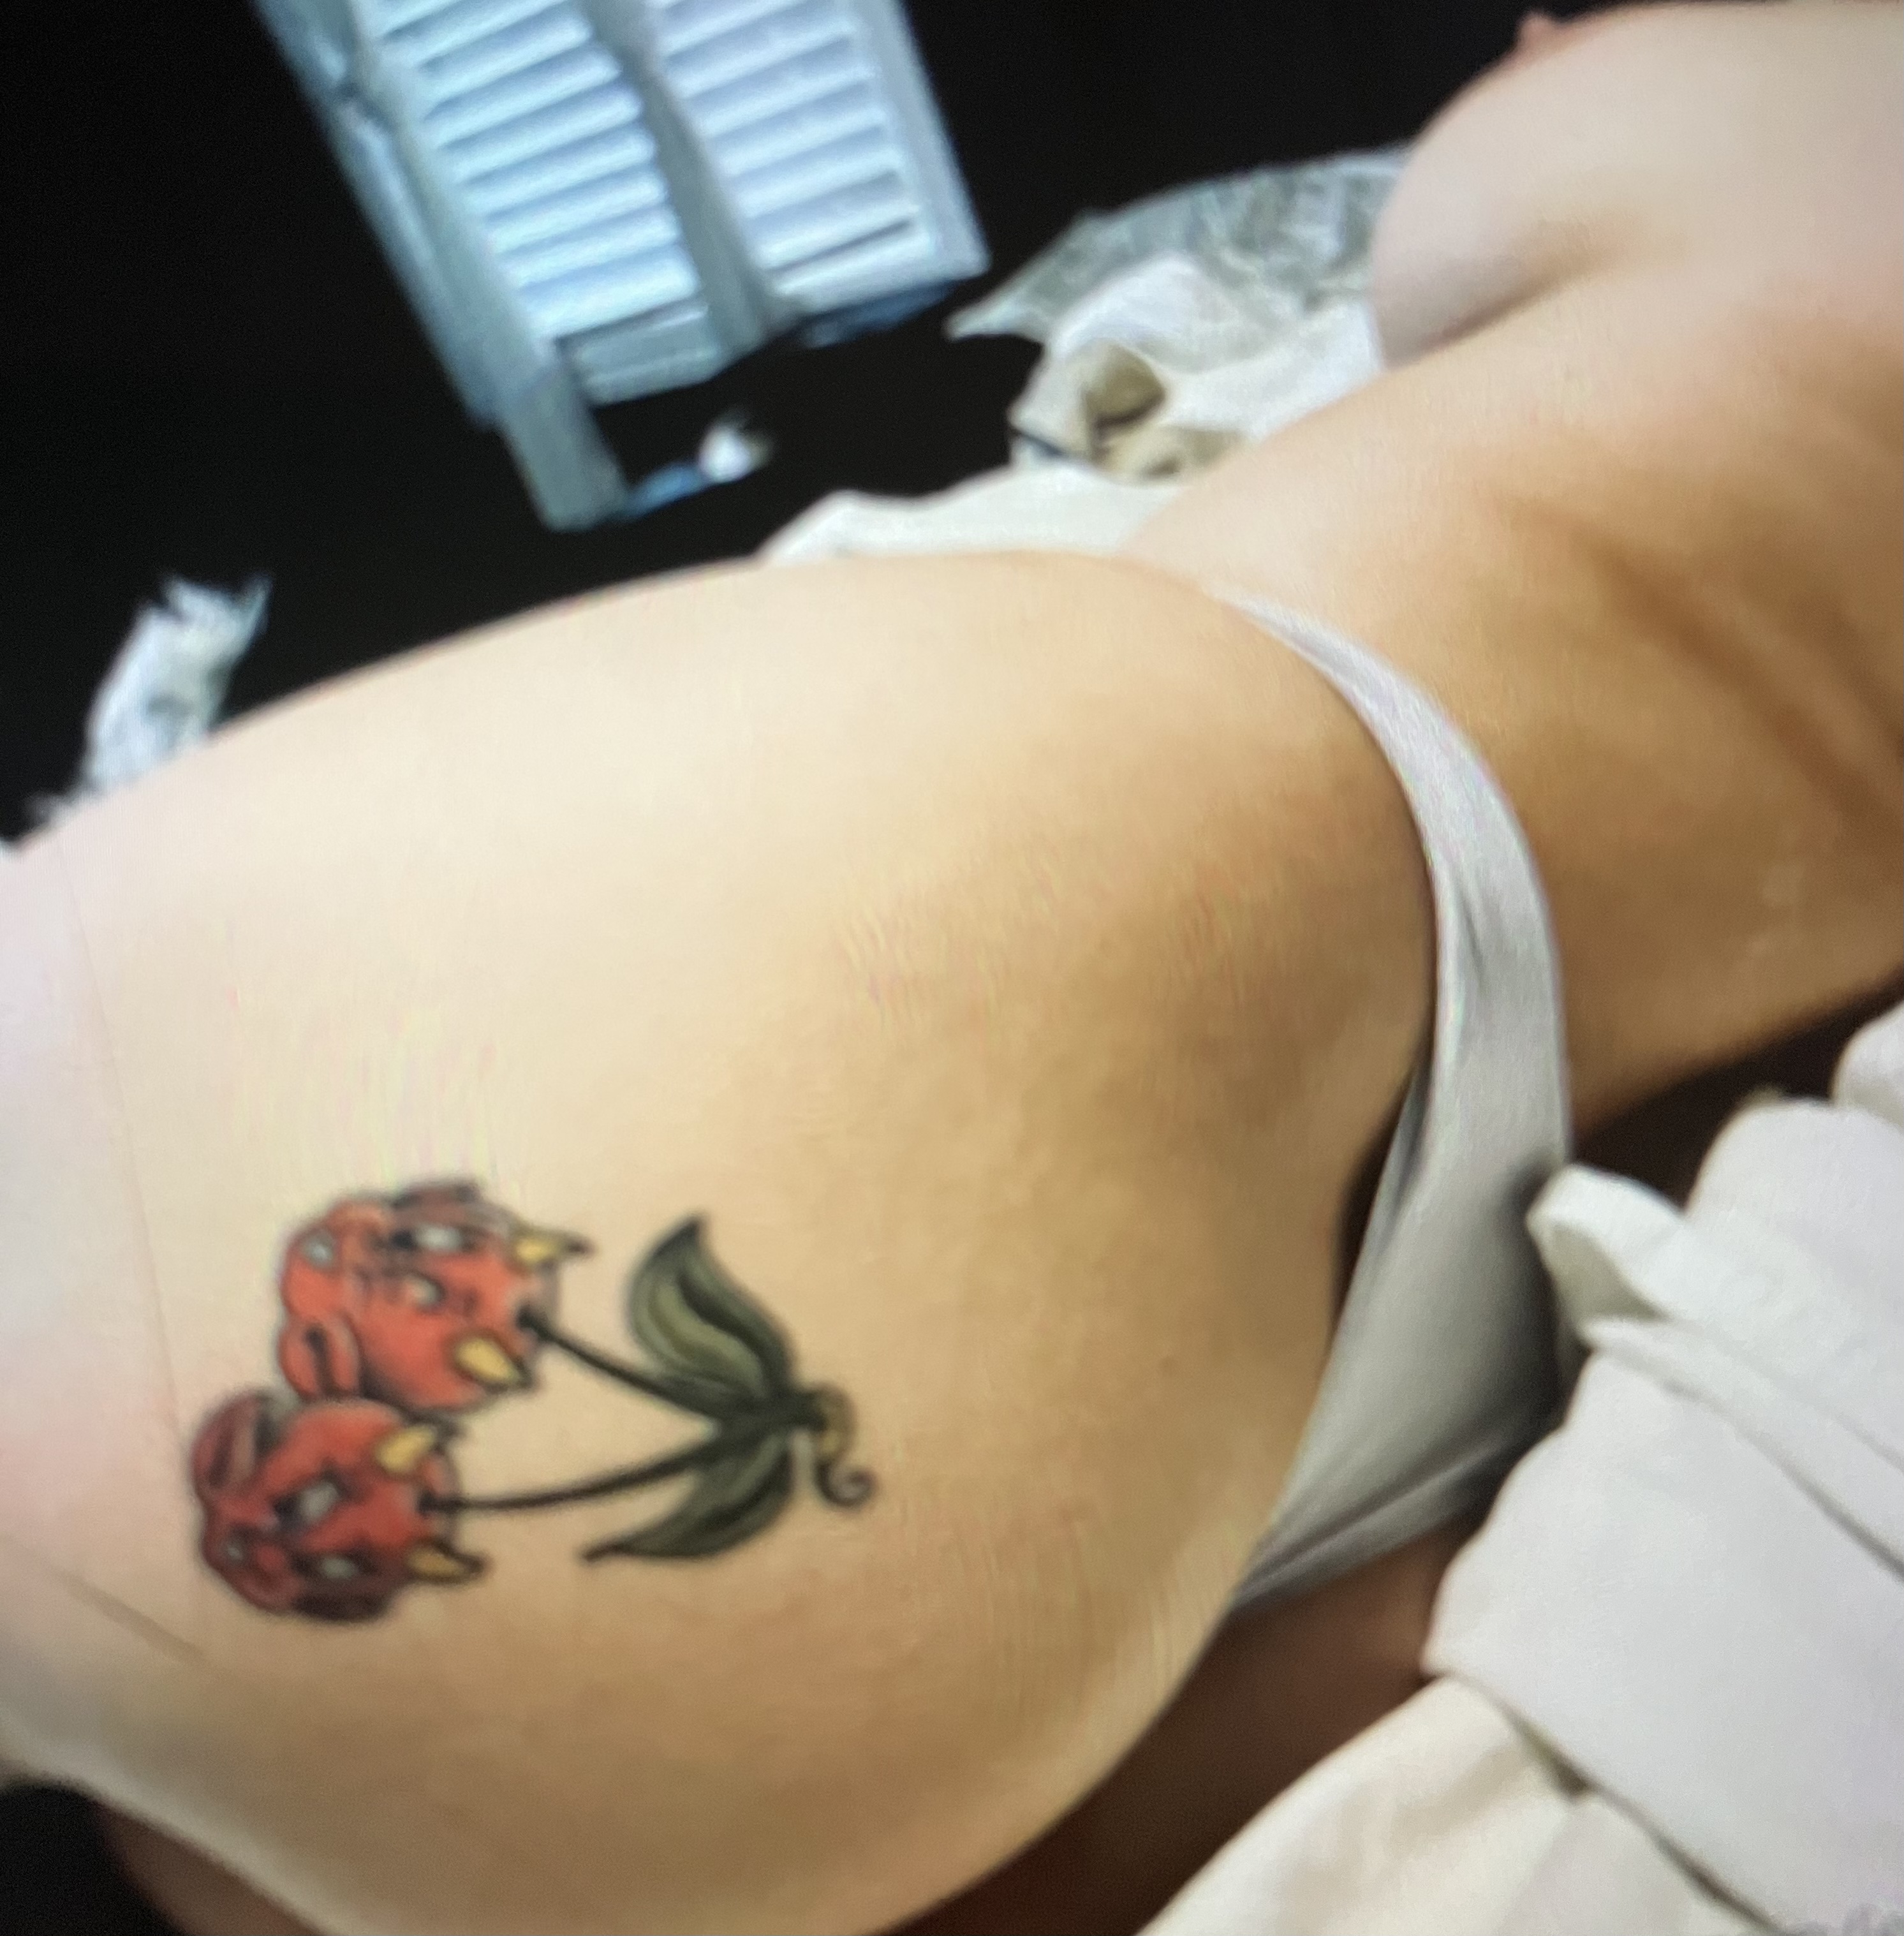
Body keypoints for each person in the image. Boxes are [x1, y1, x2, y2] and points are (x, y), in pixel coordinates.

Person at [0, 3, 1896, 1931]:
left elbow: (1472, 208)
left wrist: (1582, 72)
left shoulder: (1819, 98)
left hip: (1118, 907)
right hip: (1418, 1302)